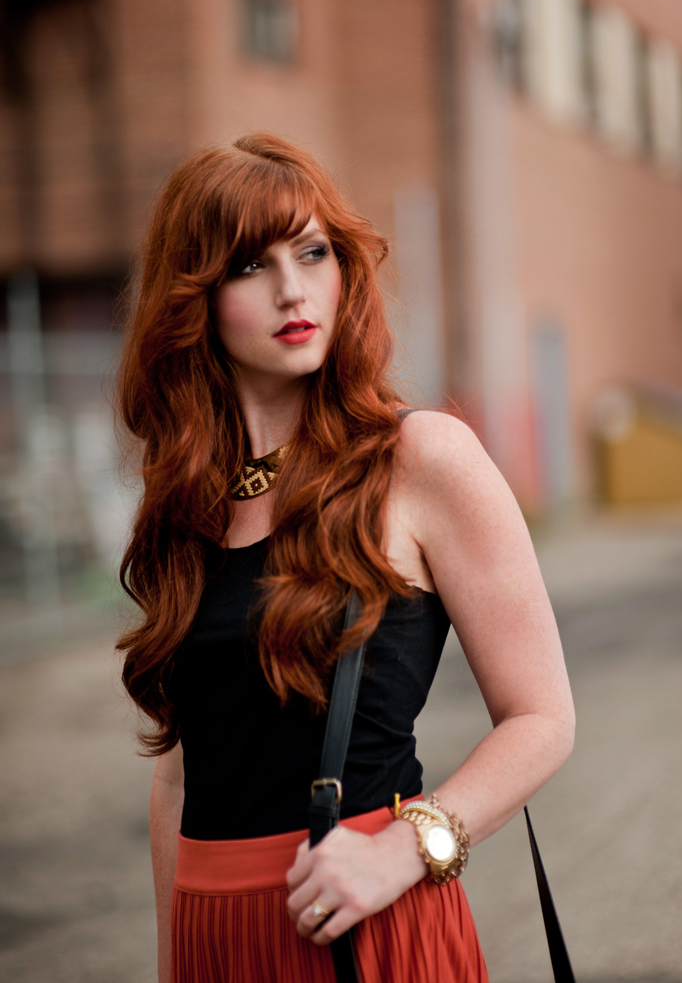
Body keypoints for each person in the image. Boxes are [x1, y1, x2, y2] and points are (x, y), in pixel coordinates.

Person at [116, 132, 575, 983]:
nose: (293, 289)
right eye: (250, 265)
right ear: (195, 297)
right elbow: (179, 775)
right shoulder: (187, 503)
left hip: (366, 919)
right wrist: (174, 958)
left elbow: (542, 718)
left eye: (312, 252)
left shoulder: (418, 459)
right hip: (216, 934)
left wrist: (405, 849)